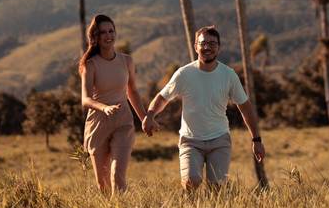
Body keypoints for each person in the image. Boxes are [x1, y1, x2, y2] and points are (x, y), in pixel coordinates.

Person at [143, 25, 265, 189]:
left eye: (212, 44)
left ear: (219, 48)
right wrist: (150, 115)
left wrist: (256, 139)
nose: (207, 47)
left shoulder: (228, 75)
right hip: (190, 141)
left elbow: (246, 108)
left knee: (217, 187)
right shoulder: (184, 74)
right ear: (196, 47)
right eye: (203, 43)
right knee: (191, 181)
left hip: (220, 140)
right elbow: (162, 98)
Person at [79, 14, 149, 195]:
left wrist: (145, 119)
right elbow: (85, 99)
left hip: (123, 122)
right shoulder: (90, 64)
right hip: (98, 124)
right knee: (103, 186)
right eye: (103, 32)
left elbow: (132, 91)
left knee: (117, 176)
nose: (108, 35)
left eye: (111, 31)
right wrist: (104, 107)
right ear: (95, 36)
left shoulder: (126, 61)